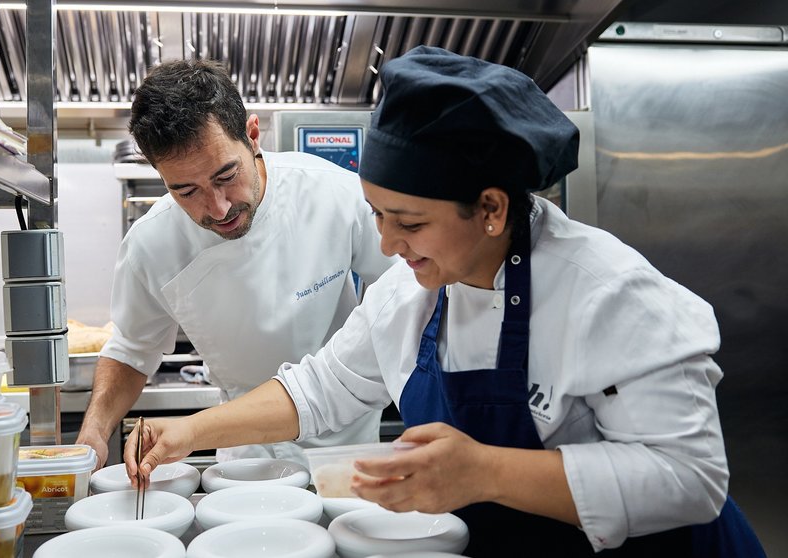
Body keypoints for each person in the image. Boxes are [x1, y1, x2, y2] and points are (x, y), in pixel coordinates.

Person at [125, 47, 766, 556]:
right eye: (376, 216)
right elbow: (319, 388)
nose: (385, 242)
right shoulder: (413, 290)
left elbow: (690, 479)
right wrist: (188, 433)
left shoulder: (610, 294)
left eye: (407, 222)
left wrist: (483, 472)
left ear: (490, 209)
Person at [76, 58, 396, 470]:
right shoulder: (151, 244)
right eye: (186, 191)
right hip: (246, 460)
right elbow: (132, 349)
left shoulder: (334, 196)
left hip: (348, 453)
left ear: (252, 135)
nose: (218, 207)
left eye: (226, 176)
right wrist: (95, 431)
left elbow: (408, 295)